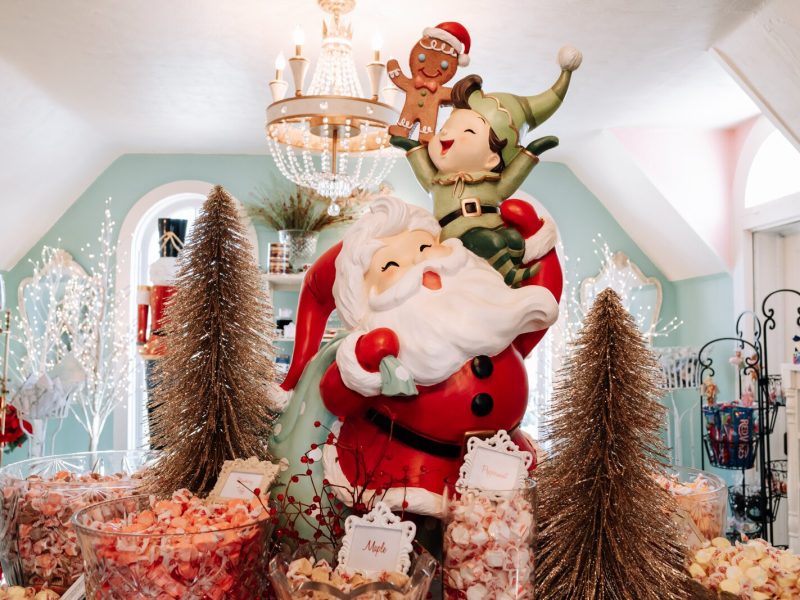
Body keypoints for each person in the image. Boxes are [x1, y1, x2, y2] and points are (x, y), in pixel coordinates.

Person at [270, 196, 560, 519]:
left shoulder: (490, 311)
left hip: (500, 462)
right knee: (416, 537)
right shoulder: (386, 341)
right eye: (391, 266)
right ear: (367, 296)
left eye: (424, 248)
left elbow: (541, 308)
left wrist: (539, 246)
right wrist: (364, 362)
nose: (421, 266)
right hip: (413, 470)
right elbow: (337, 397)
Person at [391, 46, 581, 287]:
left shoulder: (491, 183)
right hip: (458, 234)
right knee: (490, 242)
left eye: (469, 131)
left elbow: (511, 178)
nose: (446, 134)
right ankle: (511, 276)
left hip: (493, 227)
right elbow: (424, 170)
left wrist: (531, 152)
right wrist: (411, 148)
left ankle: (507, 281)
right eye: (446, 127)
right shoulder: (438, 181)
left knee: (512, 237)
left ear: (492, 160)